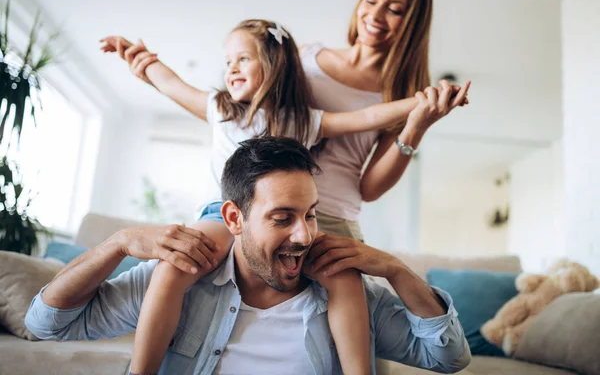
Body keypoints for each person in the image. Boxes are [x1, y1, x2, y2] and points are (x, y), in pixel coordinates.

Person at [99, 19, 469, 375]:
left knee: (345, 278)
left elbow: (368, 115)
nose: (231, 68)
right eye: (228, 61)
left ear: (273, 64)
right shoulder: (221, 108)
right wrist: (142, 60)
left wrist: (424, 104)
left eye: (243, 58)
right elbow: (170, 84)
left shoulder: (303, 120)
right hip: (221, 214)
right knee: (176, 265)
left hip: (282, 216)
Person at [25, 137, 471, 375]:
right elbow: (45, 324)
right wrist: (115, 243)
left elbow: (447, 358)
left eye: (311, 215)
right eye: (282, 218)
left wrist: (394, 269)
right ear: (234, 218)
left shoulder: (345, 292)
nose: (304, 235)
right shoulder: (186, 274)